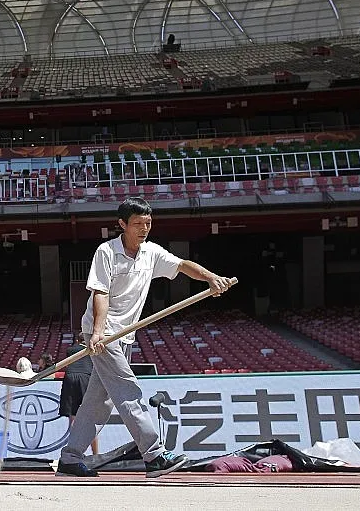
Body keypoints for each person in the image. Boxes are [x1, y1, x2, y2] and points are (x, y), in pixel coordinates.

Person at [57, 197, 232, 479]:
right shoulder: (106, 252)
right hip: (104, 333)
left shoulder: (151, 253)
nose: (144, 229)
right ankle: (154, 455)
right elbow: (100, 293)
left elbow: (182, 265)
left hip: (125, 335)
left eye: (148, 223)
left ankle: (70, 458)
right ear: (122, 224)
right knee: (128, 392)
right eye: (138, 224)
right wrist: (98, 332)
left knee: (98, 402)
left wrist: (211, 277)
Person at [58, 339, 98, 456]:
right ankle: (95, 454)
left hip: (70, 377)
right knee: (90, 418)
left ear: (77, 340)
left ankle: (74, 453)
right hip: (86, 377)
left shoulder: (70, 349)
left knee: (73, 417)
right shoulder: (92, 348)